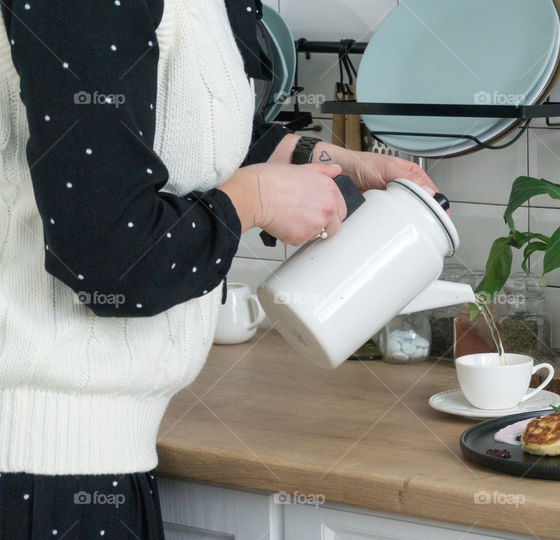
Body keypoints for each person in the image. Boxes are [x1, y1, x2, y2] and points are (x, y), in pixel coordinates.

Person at [0, 1, 436, 536]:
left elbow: (154, 125)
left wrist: (322, 160)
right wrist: (252, 201)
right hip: (37, 473)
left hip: (93, 454)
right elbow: (109, 256)